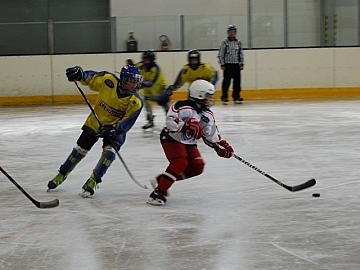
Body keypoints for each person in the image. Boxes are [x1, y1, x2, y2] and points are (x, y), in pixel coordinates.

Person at [47, 65, 144, 198]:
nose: (134, 85)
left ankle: (93, 180)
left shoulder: (136, 102)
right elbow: (91, 78)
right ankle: (62, 174)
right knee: (79, 150)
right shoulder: (108, 80)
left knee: (109, 154)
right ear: (123, 79)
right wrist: (80, 75)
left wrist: (114, 129)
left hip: (114, 130)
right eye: (131, 81)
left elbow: (127, 123)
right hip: (95, 122)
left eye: (136, 81)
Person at [147, 79, 234, 206]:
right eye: (208, 96)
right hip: (172, 137)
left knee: (197, 166)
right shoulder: (182, 106)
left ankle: (162, 180)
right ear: (199, 95)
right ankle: (158, 193)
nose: (211, 99)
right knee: (181, 161)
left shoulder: (207, 114)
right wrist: (185, 125)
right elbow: (170, 121)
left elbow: (210, 134)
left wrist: (219, 145)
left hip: (189, 141)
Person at [136, 50, 169, 129]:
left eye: (148, 60)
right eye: (145, 59)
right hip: (148, 89)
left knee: (164, 103)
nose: (146, 61)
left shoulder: (156, 69)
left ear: (152, 60)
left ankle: (170, 119)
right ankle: (150, 121)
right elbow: (134, 68)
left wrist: (141, 84)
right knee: (147, 103)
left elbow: (152, 82)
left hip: (160, 88)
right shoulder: (141, 65)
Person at [218, 25, 244, 105]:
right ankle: (224, 97)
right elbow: (221, 54)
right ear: (228, 33)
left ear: (235, 33)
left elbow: (240, 53)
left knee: (237, 82)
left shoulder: (238, 42)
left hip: (236, 65)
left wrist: (241, 62)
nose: (232, 33)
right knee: (226, 82)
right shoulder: (224, 42)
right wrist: (222, 64)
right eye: (230, 32)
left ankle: (236, 97)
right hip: (227, 65)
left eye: (233, 32)